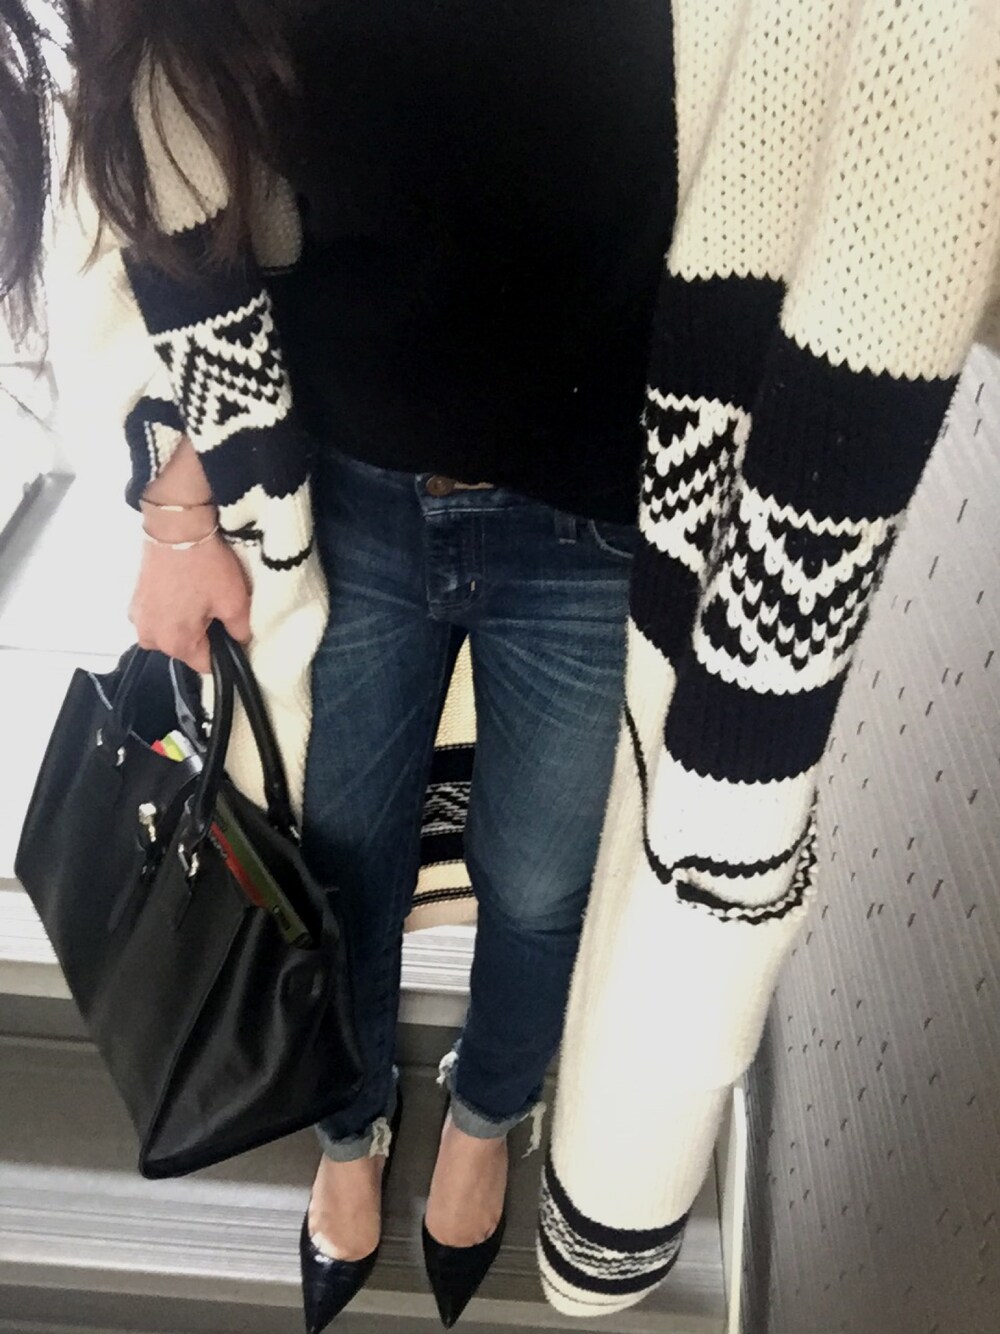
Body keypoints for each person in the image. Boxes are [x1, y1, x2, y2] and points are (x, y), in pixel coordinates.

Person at [5, 2, 1000, 1330]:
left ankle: (487, 1109)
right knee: (336, 867)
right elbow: (137, 158)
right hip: (336, 492)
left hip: (601, 509)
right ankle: (349, 1128)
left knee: (540, 882)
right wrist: (176, 504)